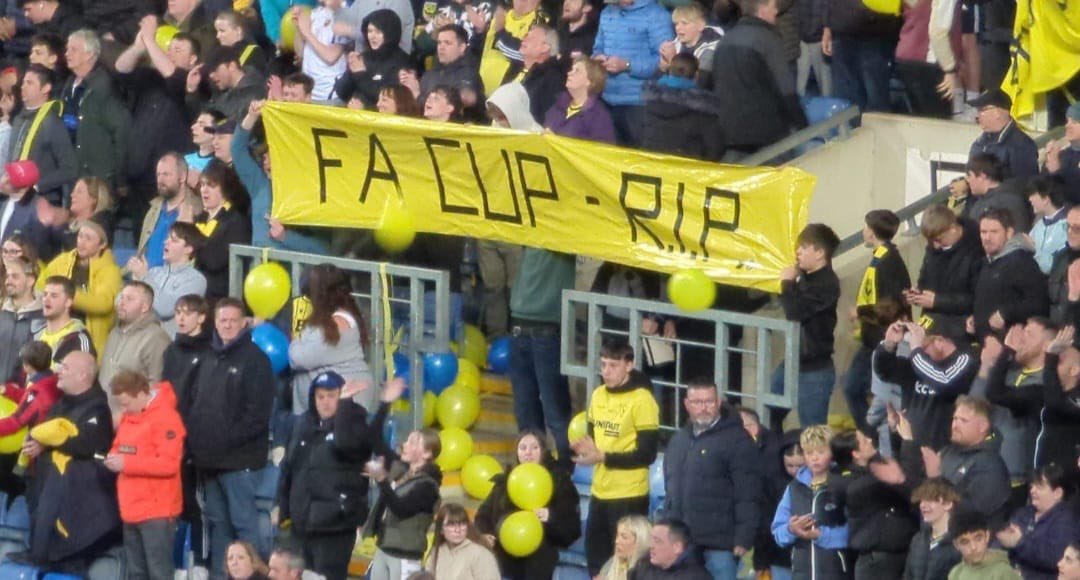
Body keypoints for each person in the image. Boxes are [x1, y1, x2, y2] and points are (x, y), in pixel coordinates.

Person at [184, 297, 275, 576]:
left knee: (244, 526)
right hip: (210, 462)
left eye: (232, 321)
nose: (226, 326)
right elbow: (197, 404)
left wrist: (223, 442)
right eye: (222, 320)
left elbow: (257, 416)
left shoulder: (256, 360)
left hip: (239, 462)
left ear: (243, 323)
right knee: (218, 526)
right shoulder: (209, 357)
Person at [279, 371, 382, 580]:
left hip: (336, 526)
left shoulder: (355, 423)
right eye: (320, 397)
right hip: (302, 524)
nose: (325, 402)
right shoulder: (302, 424)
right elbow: (288, 469)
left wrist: (345, 406)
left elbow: (346, 444)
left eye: (332, 396)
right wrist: (282, 509)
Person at [24, 351, 118, 570]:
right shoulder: (61, 404)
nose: (58, 371)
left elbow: (84, 443)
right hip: (49, 499)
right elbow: (44, 432)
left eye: (65, 367)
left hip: (79, 516)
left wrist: (49, 443)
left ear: (82, 375)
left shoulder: (98, 409)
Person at [573, 342, 659, 576]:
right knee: (596, 563)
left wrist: (603, 456)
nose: (606, 371)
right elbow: (594, 438)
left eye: (613, 365)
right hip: (600, 491)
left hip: (629, 493)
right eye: (603, 365)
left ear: (629, 365)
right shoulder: (598, 395)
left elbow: (647, 454)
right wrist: (585, 450)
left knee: (628, 563)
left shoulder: (642, 399)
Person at [663, 379, 759, 579]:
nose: (703, 408)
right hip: (683, 542)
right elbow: (670, 488)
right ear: (687, 404)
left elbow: (748, 493)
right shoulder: (679, 440)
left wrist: (743, 537)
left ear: (718, 403)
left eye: (709, 402)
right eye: (697, 402)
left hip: (721, 545)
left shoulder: (738, 440)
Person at [105, 370, 186, 580]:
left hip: (156, 511)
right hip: (130, 507)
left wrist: (126, 463)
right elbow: (118, 446)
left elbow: (168, 464)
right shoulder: (129, 417)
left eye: (126, 403)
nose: (124, 409)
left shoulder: (167, 419)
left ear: (141, 393)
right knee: (137, 573)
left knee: (159, 572)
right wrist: (113, 457)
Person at [474, 430, 582, 579]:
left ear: (543, 451)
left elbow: (572, 527)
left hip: (540, 550)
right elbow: (482, 515)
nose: (528, 453)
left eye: (534, 448)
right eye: (523, 448)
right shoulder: (506, 480)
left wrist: (550, 517)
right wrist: (485, 534)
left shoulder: (559, 481)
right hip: (505, 548)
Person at [711, 0, 807, 159]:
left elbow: (710, 83)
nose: (776, 10)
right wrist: (803, 125)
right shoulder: (767, 40)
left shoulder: (724, 41)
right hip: (768, 134)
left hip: (731, 133)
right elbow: (786, 89)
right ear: (761, 10)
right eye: (772, 6)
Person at [846, 210, 910, 432]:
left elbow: (891, 305)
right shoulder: (882, 257)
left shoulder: (888, 261)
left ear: (871, 232)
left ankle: (870, 437)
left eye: (865, 227)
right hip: (873, 338)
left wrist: (861, 312)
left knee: (855, 389)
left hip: (882, 340)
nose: (863, 231)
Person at [235, 101, 327, 253]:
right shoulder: (259, 185)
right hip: (259, 271)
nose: (265, 158)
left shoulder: (306, 194)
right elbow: (237, 149)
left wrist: (286, 237)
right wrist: (252, 116)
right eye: (264, 155)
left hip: (292, 273)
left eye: (271, 154)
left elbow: (324, 250)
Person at [975, 320, 1052, 502]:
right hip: (986, 471)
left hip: (1017, 478)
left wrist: (1005, 352)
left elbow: (996, 394)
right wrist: (987, 365)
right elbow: (974, 404)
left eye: (1030, 334)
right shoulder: (1007, 373)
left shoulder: (1046, 383)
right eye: (1022, 332)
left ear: (1047, 345)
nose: (1021, 339)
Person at [772, 224, 841, 427]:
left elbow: (795, 311)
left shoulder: (827, 283)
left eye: (804, 247)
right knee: (767, 415)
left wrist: (786, 283)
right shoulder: (803, 277)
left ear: (820, 253)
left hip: (814, 370)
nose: (798, 252)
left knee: (812, 432)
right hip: (792, 363)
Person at [875, 318, 976, 450]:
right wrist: (889, 344)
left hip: (942, 451)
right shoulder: (917, 363)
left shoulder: (964, 360)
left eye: (923, 346)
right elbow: (884, 371)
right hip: (910, 447)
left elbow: (944, 382)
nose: (918, 351)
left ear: (939, 342)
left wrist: (916, 351)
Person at [361, 420, 443, 580]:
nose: (405, 444)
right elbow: (375, 438)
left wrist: (382, 480)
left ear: (427, 453)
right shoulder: (401, 471)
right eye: (406, 440)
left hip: (405, 554)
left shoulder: (428, 486)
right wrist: (385, 403)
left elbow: (401, 509)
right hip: (384, 546)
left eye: (412, 442)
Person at [287, 263, 374, 412]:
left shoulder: (337, 324)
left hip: (342, 406)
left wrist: (295, 341)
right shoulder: (329, 318)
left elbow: (299, 358)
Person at [771, 425, 850, 580]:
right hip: (802, 572)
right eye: (809, 452)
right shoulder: (793, 488)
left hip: (836, 572)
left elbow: (853, 530)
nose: (814, 458)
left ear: (832, 453)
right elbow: (777, 531)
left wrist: (821, 536)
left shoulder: (843, 484)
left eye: (821, 452)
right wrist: (791, 529)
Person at [841, 429, 920, 580]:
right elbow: (909, 487)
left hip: (895, 556)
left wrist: (895, 434)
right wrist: (909, 443)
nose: (870, 440)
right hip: (878, 563)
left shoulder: (876, 471)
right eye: (864, 441)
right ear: (856, 454)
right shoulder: (859, 484)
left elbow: (898, 472)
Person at [591, 0, 672, 146]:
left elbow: (664, 62)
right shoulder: (606, 12)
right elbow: (597, 48)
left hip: (640, 105)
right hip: (607, 100)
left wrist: (628, 65)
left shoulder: (656, 15)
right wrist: (597, 58)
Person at [37, 220, 122, 358]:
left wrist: (66, 295)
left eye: (88, 238)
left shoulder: (110, 271)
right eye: (80, 236)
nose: (81, 242)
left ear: (102, 245)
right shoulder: (62, 261)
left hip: (88, 338)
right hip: (55, 333)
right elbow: (40, 286)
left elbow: (103, 303)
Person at [62, 29, 132, 190]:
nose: (67, 54)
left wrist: (118, 176)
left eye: (73, 49)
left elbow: (121, 130)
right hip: (71, 172)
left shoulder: (104, 86)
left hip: (96, 177)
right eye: (67, 49)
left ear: (89, 54)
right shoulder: (69, 85)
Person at [5, 64, 76, 205]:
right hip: (14, 197)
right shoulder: (19, 118)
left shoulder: (52, 122)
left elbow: (70, 168)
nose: (22, 87)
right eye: (23, 82)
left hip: (42, 202)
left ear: (45, 88)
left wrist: (37, 186)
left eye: (29, 83)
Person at [971, 209, 1048, 340]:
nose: (987, 237)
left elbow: (1039, 304)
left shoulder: (1021, 261)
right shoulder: (985, 263)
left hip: (1011, 347)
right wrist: (975, 319)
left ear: (1009, 233)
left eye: (994, 232)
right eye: (983, 232)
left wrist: (1006, 314)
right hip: (985, 345)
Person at [906, 205, 983, 332]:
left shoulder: (976, 250)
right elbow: (924, 278)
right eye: (931, 241)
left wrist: (937, 301)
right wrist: (917, 293)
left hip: (959, 325)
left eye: (939, 239)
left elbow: (977, 298)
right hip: (930, 321)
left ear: (953, 229)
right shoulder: (932, 248)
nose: (935, 246)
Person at [98, 281, 171, 414]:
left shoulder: (156, 337)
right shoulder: (115, 332)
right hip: (105, 414)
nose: (122, 302)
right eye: (122, 297)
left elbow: (156, 384)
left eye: (129, 299)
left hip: (132, 419)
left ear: (144, 307)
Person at [996, 463, 1077, 580]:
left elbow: (1056, 557)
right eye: (1032, 486)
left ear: (1057, 493)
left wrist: (1020, 542)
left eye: (1039, 487)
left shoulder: (1066, 520)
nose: (1032, 491)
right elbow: (1003, 541)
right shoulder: (1023, 513)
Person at [641, 54, 725, 162]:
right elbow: (714, 149)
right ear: (696, 75)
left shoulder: (650, 102)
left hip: (654, 168)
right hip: (686, 170)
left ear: (669, 71)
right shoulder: (703, 110)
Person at [821, 0, 899, 113]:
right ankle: (852, 129)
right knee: (846, 100)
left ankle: (879, 129)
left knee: (876, 98)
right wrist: (827, 27)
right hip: (841, 32)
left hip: (875, 33)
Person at [132, 222, 208, 337]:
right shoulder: (154, 272)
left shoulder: (196, 280)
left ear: (188, 249)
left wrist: (144, 277)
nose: (166, 242)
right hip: (141, 339)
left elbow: (166, 309)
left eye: (174, 240)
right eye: (167, 238)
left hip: (169, 344)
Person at [132, 152, 203, 271]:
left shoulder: (196, 211)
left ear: (182, 177)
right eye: (158, 175)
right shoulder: (154, 209)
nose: (160, 180)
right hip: (145, 280)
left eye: (166, 174)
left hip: (173, 283)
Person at [193, 161, 252, 301]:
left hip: (220, 297)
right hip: (197, 292)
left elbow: (215, 261)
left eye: (211, 185)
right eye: (202, 184)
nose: (204, 190)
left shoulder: (236, 221)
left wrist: (192, 248)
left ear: (226, 189)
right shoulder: (200, 218)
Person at [333, 10, 409, 108]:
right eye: (369, 31)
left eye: (378, 32)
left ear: (390, 32)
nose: (372, 36)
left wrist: (360, 74)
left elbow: (389, 100)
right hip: (352, 116)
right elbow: (341, 92)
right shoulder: (364, 57)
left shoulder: (402, 62)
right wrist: (351, 70)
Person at [966, 88, 1039, 181]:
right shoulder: (978, 143)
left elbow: (1025, 185)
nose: (977, 115)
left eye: (982, 110)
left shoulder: (1022, 145)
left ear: (998, 112)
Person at [405, 25, 483, 107]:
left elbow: (466, 99)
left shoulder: (469, 74)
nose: (441, 47)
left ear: (462, 47)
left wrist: (417, 95)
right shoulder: (429, 75)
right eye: (439, 43)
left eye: (447, 43)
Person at [544, 55, 616, 143]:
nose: (569, 73)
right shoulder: (558, 105)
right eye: (572, 69)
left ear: (590, 81)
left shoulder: (599, 116)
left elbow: (601, 151)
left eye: (577, 71)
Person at [956, 153, 1033, 233]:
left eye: (969, 175)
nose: (967, 181)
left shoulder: (1010, 201)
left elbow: (1019, 236)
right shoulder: (978, 203)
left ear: (983, 176)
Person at [504, 24, 565, 123]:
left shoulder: (552, 79)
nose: (524, 38)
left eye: (530, 37)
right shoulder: (514, 69)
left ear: (545, 47)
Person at [187, 44, 266, 121]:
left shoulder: (256, 92)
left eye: (215, 69)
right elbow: (207, 116)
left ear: (232, 66)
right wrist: (192, 90)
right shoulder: (226, 94)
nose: (211, 75)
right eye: (210, 72)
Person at [903, 478, 962, 580]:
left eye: (930, 500)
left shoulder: (961, 541)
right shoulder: (918, 539)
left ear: (948, 504)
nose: (923, 505)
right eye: (922, 500)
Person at [1039, 327, 1080, 469]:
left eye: (1058, 361)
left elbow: (1055, 404)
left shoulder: (1076, 399)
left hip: (1069, 480)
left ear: (1074, 369)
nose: (1050, 366)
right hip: (1045, 476)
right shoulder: (1047, 391)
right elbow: (996, 393)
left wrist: (1050, 357)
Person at [292, 0, 349, 102]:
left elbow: (331, 57)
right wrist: (299, 28)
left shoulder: (347, 14)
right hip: (308, 94)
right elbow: (300, 53)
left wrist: (306, 31)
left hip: (330, 95)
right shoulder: (315, 13)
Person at [425, 503, 501, 579]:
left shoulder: (480, 554)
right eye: (451, 524)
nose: (457, 529)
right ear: (441, 529)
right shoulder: (436, 552)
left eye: (462, 524)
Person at [33, 275, 94, 366]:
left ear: (68, 302)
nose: (46, 299)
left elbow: (82, 375)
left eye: (54, 296)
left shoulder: (78, 338)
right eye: (45, 294)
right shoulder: (35, 334)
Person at [0, 256, 42, 383]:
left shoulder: (44, 317)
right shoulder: (2, 311)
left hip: (21, 395)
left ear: (30, 281)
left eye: (15, 277)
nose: (8, 281)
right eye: (7, 277)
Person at [659, 4, 722, 87]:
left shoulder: (710, 50)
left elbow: (700, 84)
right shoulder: (675, 45)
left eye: (684, 23)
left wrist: (672, 61)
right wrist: (663, 67)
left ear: (700, 25)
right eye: (676, 24)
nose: (678, 28)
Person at [626, 518, 712, 579]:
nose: (651, 545)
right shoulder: (643, 567)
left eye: (657, 541)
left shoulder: (696, 576)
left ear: (677, 547)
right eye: (651, 539)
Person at [946, 509, 1020, 580]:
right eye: (965, 542)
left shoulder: (1003, 572)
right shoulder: (956, 573)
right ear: (956, 545)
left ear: (987, 536)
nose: (973, 547)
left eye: (978, 539)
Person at [0, 159, 46, 247]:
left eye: (10, 181)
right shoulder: (3, 198)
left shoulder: (33, 216)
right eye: (6, 174)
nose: (3, 181)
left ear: (23, 189)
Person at [1028, 176, 1068, 274]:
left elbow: (1051, 266)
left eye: (1033, 194)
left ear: (1046, 199)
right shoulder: (1038, 226)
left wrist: (1033, 250)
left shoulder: (1068, 227)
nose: (1029, 199)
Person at [1043, 102, 1080, 200]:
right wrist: (1048, 160)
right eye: (1067, 121)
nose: (1067, 126)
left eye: (1075, 122)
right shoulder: (1063, 153)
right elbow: (1044, 187)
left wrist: (1056, 169)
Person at [598, 515, 652, 580]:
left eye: (624, 537)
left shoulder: (649, 572)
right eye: (617, 536)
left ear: (640, 541)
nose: (616, 541)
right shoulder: (609, 565)